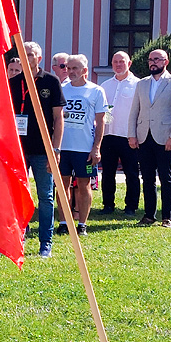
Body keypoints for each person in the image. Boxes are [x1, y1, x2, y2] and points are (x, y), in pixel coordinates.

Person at [10, 41, 65, 259]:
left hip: (43, 150)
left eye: (31, 54)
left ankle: (45, 242)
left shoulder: (50, 82)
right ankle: (19, 236)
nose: (27, 57)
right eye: (24, 53)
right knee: (18, 195)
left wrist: (56, 149)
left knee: (45, 195)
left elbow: (58, 118)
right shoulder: (13, 82)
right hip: (18, 150)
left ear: (39, 59)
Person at [128, 49, 171, 228]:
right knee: (147, 178)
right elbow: (134, 112)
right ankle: (149, 215)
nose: (152, 63)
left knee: (166, 178)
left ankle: (167, 217)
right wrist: (132, 134)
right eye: (150, 60)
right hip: (144, 136)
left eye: (157, 60)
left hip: (165, 138)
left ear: (165, 62)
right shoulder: (142, 84)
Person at [56, 54, 106, 236]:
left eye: (75, 68)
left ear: (85, 70)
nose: (70, 72)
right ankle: (63, 222)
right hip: (64, 146)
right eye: (68, 68)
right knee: (62, 185)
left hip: (84, 147)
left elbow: (101, 122)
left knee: (84, 185)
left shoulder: (96, 91)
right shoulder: (62, 88)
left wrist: (96, 148)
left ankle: (82, 224)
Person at [99, 51, 140, 215]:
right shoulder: (105, 85)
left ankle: (131, 206)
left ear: (129, 64)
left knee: (131, 172)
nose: (118, 65)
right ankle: (108, 204)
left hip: (128, 135)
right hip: (108, 134)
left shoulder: (138, 84)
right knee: (107, 172)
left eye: (121, 62)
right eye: (115, 62)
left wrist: (135, 134)